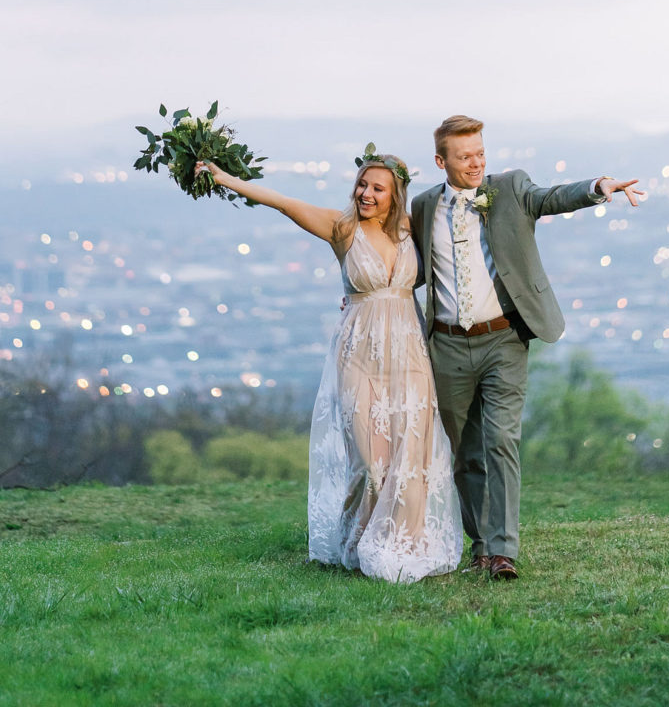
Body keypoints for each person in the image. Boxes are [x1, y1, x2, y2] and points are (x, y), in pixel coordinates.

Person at [196, 146, 462, 583]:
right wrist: (225, 178)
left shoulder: (413, 229)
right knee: (371, 462)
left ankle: (407, 544)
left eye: (378, 188)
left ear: (396, 195)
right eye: (362, 184)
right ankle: (360, 541)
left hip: (410, 350)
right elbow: (283, 203)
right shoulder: (342, 229)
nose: (367, 193)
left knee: (411, 453)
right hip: (359, 353)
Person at [410, 114, 643, 582]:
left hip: (505, 338)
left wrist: (598, 186)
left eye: (480, 153)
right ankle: (478, 544)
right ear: (441, 161)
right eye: (464, 157)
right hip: (449, 347)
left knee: (501, 441)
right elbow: (413, 269)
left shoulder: (510, 187)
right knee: (464, 452)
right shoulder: (422, 208)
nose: (475, 164)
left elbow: (550, 198)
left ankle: (503, 552)